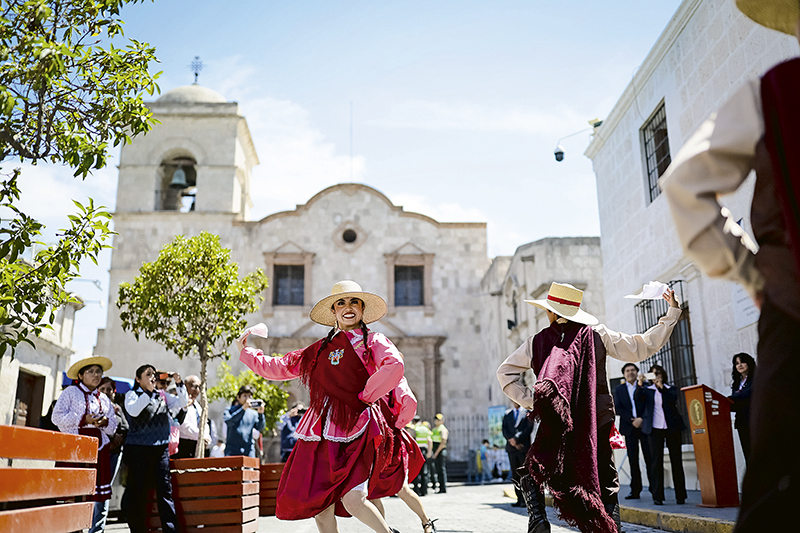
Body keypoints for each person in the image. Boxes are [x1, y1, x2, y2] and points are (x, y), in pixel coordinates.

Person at [658, 3, 800, 529]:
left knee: (780, 492)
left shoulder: (776, 91)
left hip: (795, 310)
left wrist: (752, 272)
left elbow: (684, 184)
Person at [497, 282, 681, 533]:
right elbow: (642, 346)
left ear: (551, 312)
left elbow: (505, 374)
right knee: (605, 474)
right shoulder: (598, 334)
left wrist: (535, 402)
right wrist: (671, 314)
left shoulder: (536, 341)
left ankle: (538, 518)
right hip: (596, 418)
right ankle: (610, 526)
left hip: (557, 420)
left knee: (537, 465)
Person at [237, 280, 404, 533]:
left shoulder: (374, 341)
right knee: (321, 507)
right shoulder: (319, 349)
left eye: (354, 302)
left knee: (354, 500)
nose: (348, 307)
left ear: (362, 309)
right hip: (321, 433)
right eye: (341, 303)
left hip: (357, 427)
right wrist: (248, 353)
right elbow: (281, 366)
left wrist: (365, 396)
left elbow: (394, 365)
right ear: (334, 311)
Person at [52, 356, 117, 533]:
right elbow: (56, 417)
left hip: (97, 450)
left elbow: (113, 427)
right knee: (72, 494)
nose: (96, 375)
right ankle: (69, 529)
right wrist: (83, 419)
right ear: (80, 375)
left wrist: (104, 422)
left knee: (91, 496)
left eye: (98, 372)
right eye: (91, 371)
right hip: (74, 449)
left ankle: (87, 529)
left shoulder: (104, 399)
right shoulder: (70, 393)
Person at [122, 364, 188, 533]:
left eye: (154, 375)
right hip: (138, 450)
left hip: (160, 450)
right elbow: (134, 411)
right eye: (148, 374)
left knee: (165, 491)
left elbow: (182, 403)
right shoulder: (132, 395)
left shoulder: (162, 396)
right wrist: (149, 393)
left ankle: (171, 530)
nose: (153, 377)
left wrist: (179, 384)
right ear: (138, 379)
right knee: (138, 491)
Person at [635, 364, 687, 506]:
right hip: (654, 429)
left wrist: (661, 388)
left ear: (663, 374)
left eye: (658, 373)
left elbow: (673, 400)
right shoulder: (647, 390)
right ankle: (657, 496)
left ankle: (680, 495)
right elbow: (637, 399)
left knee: (676, 460)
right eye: (653, 374)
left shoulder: (670, 389)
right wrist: (640, 384)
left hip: (672, 428)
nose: (656, 376)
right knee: (656, 462)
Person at [613, 363, 653, 500]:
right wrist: (632, 420)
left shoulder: (645, 386)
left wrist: (641, 419)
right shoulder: (619, 389)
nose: (630, 373)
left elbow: (649, 404)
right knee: (633, 460)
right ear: (624, 374)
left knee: (649, 458)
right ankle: (635, 490)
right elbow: (617, 407)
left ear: (637, 372)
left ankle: (655, 489)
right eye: (627, 371)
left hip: (644, 426)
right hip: (630, 428)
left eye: (633, 370)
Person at [97, 377, 128, 531]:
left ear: (114, 392)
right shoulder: (93, 407)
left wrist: (118, 439)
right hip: (98, 454)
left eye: (109, 389)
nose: (106, 392)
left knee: (105, 490)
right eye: (102, 389)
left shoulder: (118, 409)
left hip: (114, 453)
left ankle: (98, 528)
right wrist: (112, 437)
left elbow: (126, 427)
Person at [503, 401, 534, 507]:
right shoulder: (508, 414)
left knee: (524, 475)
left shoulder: (527, 413)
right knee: (515, 475)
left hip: (523, 448)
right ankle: (519, 498)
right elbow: (505, 430)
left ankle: (526, 500)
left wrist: (517, 439)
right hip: (512, 450)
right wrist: (512, 441)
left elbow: (528, 428)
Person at [173, 375, 211, 459]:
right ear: (185, 385)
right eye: (194, 386)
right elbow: (182, 424)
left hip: (196, 444)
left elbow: (204, 422)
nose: (197, 390)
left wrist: (206, 437)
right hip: (183, 445)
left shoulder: (197, 405)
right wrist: (200, 436)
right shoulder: (178, 402)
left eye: (199, 387)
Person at [223, 385, 266, 457]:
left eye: (249, 396)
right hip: (232, 450)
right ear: (238, 397)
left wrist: (261, 414)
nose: (247, 399)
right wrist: (243, 409)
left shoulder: (253, 413)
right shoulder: (229, 410)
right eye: (245, 396)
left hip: (248, 450)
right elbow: (230, 422)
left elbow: (260, 427)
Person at [729, 353, 756, 462]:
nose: (740, 365)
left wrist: (730, 399)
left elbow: (748, 395)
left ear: (749, 363)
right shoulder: (736, 383)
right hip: (742, 422)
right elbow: (735, 404)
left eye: (742, 362)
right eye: (737, 363)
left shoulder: (756, 378)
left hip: (754, 421)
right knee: (748, 455)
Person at [411, 416, 433, 496]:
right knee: (425, 471)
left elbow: (412, 440)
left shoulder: (414, 428)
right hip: (424, 450)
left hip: (417, 451)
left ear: (414, 421)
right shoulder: (425, 428)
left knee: (416, 471)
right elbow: (430, 440)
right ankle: (424, 490)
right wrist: (429, 452)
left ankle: (416, 490)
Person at [430, 414, 449, 494]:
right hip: (435, 450)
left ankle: (443, 487)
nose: (436, 421)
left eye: (439, 419)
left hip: (440, 451)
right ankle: (439, 486)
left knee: (441, 469)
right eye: (436, 419)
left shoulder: (443, 429)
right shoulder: (435, 429)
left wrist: (436, 453)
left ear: (442, 420)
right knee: (437, 469)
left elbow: (443, 442)